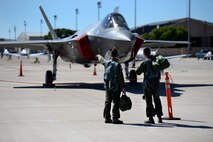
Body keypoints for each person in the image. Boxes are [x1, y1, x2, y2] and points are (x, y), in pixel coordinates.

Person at [97, 48, 125, 124]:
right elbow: (120, 78)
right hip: (115, 87)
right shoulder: (117, 65)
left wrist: (98, 55)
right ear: (117, 55)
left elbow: (101, 60)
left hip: (107, 86)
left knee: (107, 101)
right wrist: (123, 87)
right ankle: (115, 118)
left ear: (110, 55)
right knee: (116, 102)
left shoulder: (107, 62)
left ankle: (107, 117)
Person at [136, 47, 163, 124]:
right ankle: (159, 117)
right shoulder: (155, 60)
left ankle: (151, 118)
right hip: (156, 83)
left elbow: (138, 72)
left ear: (144, 54)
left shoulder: (145, 62)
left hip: (148, 84)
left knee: (149, 101)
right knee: (157, 99)